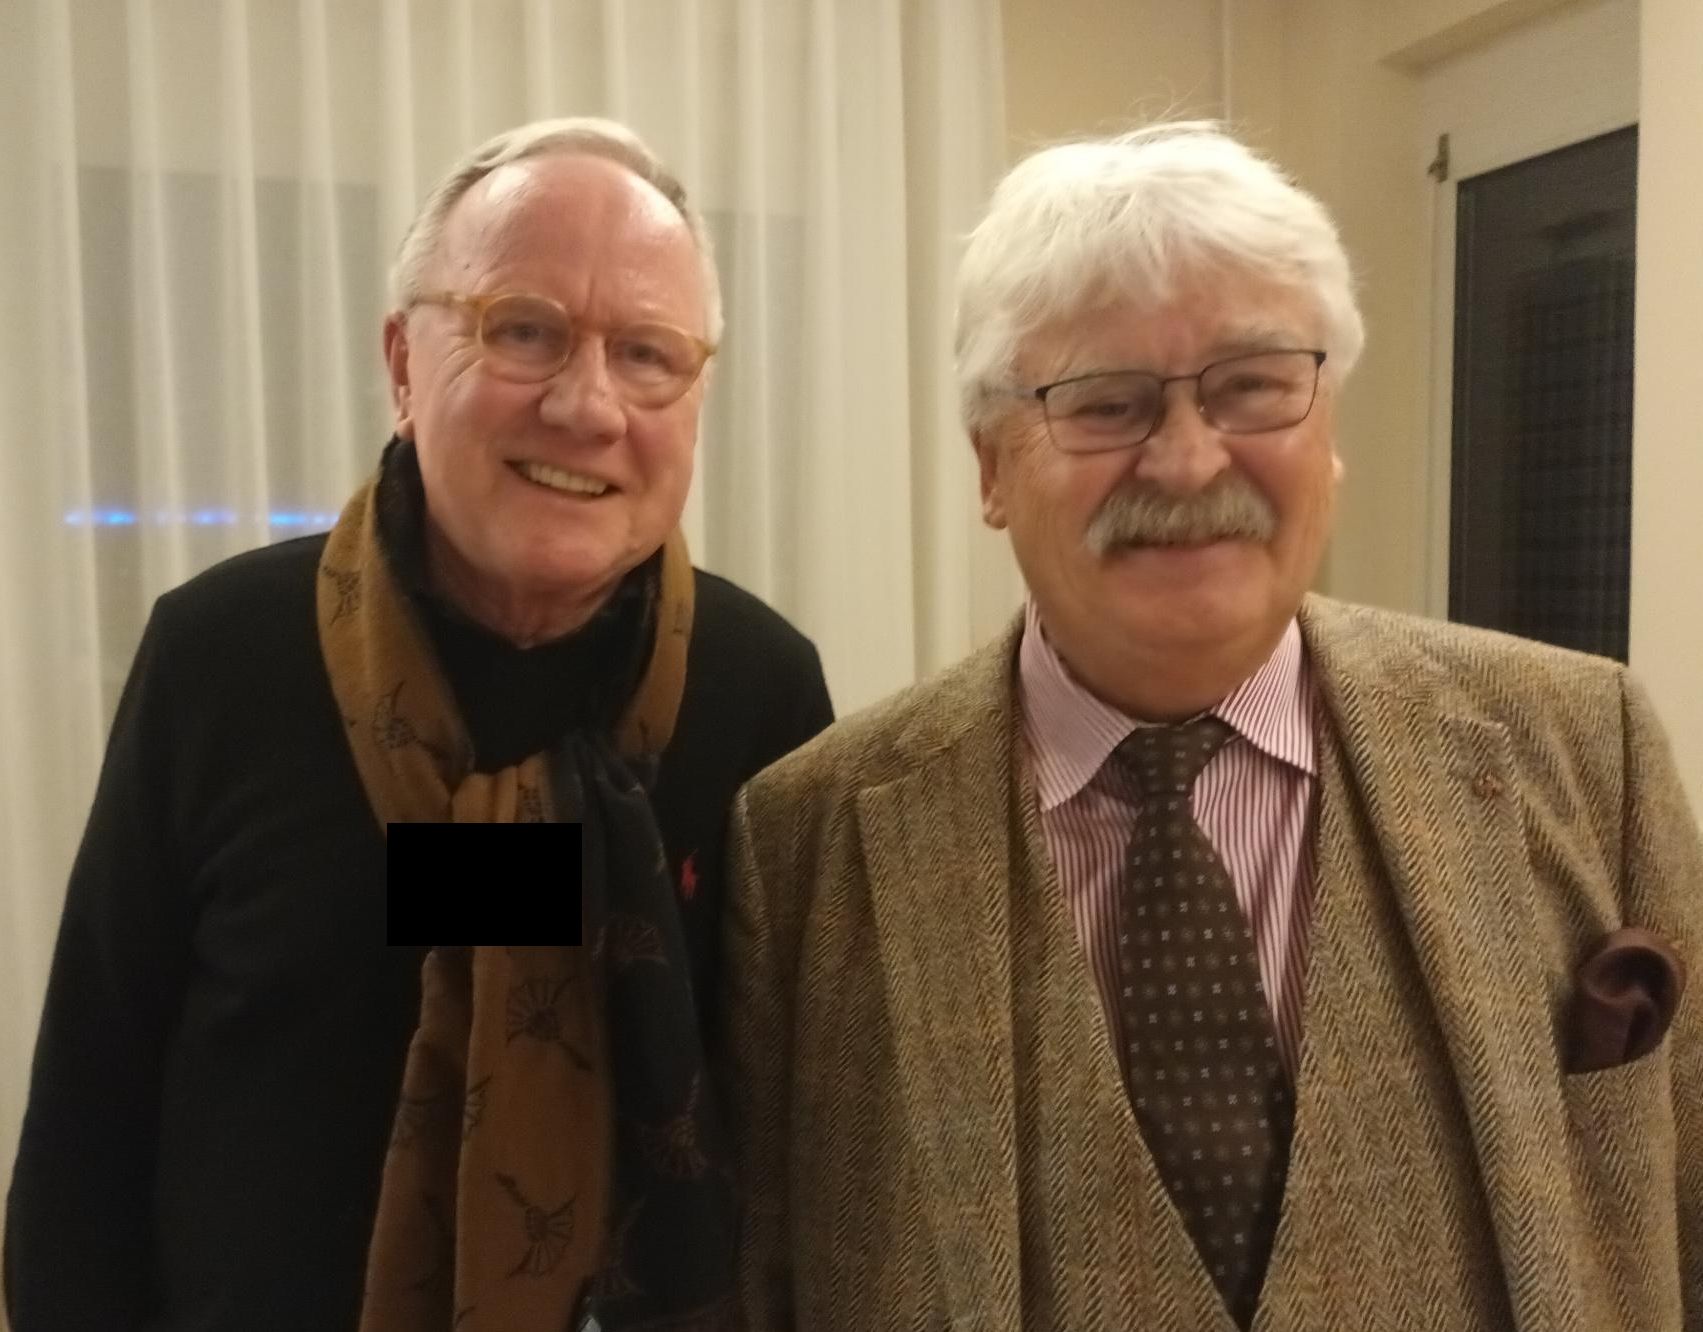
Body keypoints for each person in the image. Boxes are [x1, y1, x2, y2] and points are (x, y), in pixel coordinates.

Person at [722, 122, 1701, 1331]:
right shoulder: (803, 844)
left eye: (1251, 386)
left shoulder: (1584, 752)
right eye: (1103, 403)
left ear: (1325, 430)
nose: (1186, 463)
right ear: (989, 469)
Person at [6, 117, 832, 1332]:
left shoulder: (757, 692)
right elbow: (89, 1116)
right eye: (523, 330)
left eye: (646, 353)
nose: (586, 404)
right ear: (402, 364)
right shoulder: (223, 657)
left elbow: (803, 1139)